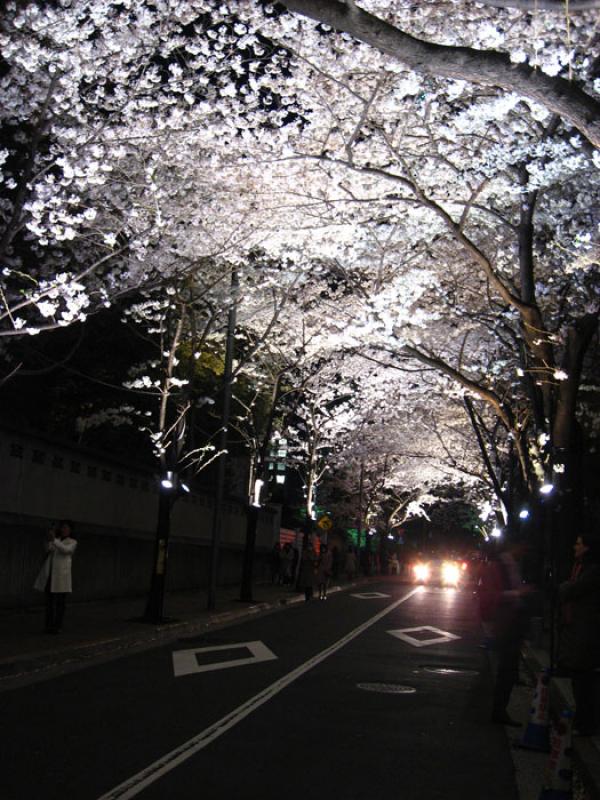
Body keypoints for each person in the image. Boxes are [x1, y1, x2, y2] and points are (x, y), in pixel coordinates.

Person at [557, 534, 600, 736]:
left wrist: (566, 587)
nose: (575, 546)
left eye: (579, 543)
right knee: (579, 676)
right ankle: (584, 720)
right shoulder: (581, 567)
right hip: (577, 628)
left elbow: (572, 589)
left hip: (586, 629)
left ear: (588, 548)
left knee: (584, 677)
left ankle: (586, 723)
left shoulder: (592, 570)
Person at [490, 536, 532, 727]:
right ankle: (499, 711)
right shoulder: (500, 565)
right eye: (521, 545)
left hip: (513, 621)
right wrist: (519, 593)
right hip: (506, 623)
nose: (524, 550)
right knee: (505, 668)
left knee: (508, 668)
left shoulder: (513, 564)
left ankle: (500, 709)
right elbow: (493, 595)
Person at [34, 520, 78, 634]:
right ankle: (48, 626)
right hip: (50, 575)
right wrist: (50, 538)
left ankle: (57, 626)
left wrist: (54, 540)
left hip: (61, 577)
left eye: (67, 528)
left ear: (71, 530)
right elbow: (48, 549)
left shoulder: (72, 542)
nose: (64, 530)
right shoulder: (57, 540)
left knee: (60, 603)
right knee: (49, 603)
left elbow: (66, 550)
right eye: (63, 528)